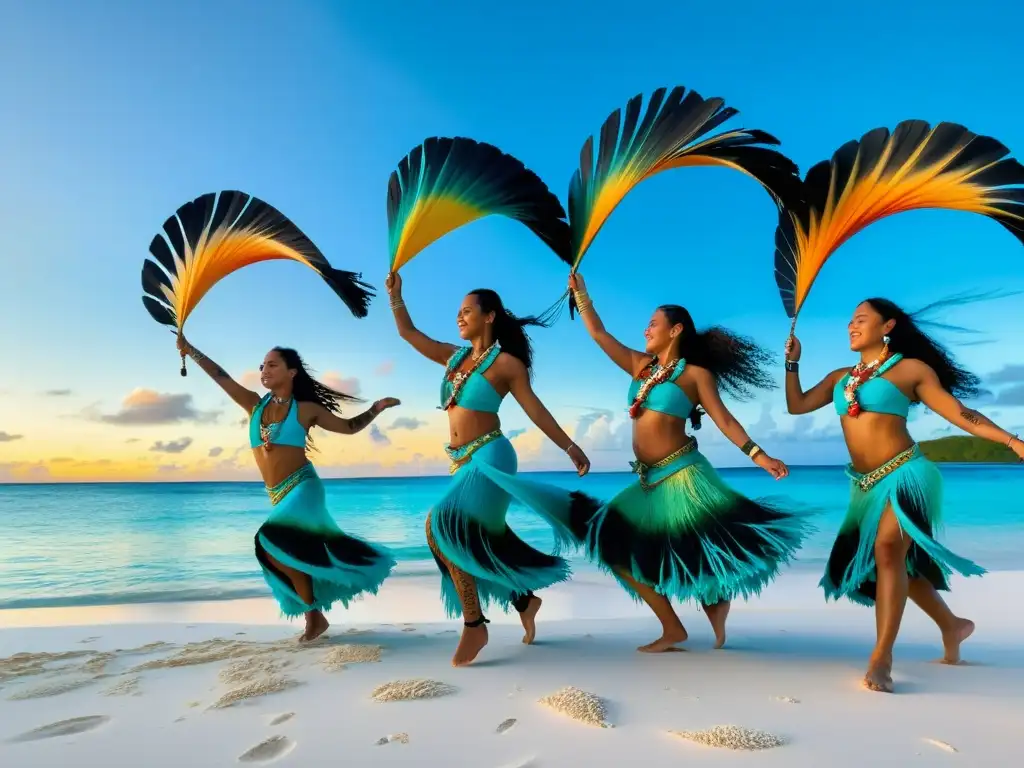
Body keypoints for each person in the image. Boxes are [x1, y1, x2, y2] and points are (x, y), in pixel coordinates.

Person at [784, 298, 1024, 692]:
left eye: (861, 319)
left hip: (906, 474)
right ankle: (953, 626)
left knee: (888, 550)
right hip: (864, 484)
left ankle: (882, 657)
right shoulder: (840, 377)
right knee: (900, 566)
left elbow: (961, 414)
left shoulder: (910, 370)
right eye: (849, 319)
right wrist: (792, 363)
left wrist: (1013, 441)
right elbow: (797, 406)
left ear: (888, 326)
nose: (851, 325)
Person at [563, 274, 812, 652]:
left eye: (653, 324)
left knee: (695, 550)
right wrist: (581, 295)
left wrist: (759, 456)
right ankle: (674, 627)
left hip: (683, 475)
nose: (646, 329)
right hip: (647, 481)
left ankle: (713, 602)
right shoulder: (639, 366)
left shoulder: (696, 375)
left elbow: (725, 420)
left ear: (675, 330)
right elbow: (599, 334)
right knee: (612, 546)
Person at [385, 272, 591, 666]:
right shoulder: (454, 357)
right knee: (460, 537)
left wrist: (569, 445)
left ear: (490, 316)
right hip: (461, 461)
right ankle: (523, 600)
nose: (459, 318)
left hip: (492, 455)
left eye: (467, 311)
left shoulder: (508, 364)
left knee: (440, 524)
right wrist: (396, 296)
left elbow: (534, 408)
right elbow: (409, 333)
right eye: (458, 312)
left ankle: (475, 624)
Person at [177, 336, 400, 642]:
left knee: (266, 539)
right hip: (278, 494)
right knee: (278, 553)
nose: (264, 370)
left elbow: (347, 428)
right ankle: (314, 616)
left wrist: (375, 409)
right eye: (262, 365)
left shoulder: (306, 409)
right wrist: (190, 349)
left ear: (291, 372)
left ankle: (315, 615)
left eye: (272, 364)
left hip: (303, 487)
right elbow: (221, 376)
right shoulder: (255, 405)